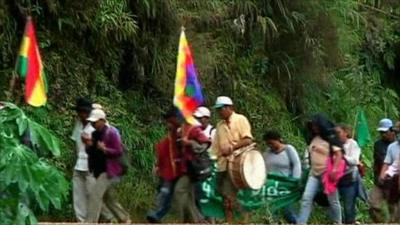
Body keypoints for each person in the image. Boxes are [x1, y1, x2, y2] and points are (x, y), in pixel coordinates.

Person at [211, 96, 253, 223]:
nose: (219, 112)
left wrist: (232, 148)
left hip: (238, 164)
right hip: (222, 165)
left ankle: (243, 219)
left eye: (221, 109)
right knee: (224, 195)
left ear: (229, 108)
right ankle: (231, 221)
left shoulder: (241, 119)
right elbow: (216, 147)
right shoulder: (219, 125)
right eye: (217, 110)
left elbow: (248, 139)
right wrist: (211, 159)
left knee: (230, 196)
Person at [84, 108, 130, 223]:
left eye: (95, 121)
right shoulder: (95, 134)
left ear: (102, 120)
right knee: (108, 198)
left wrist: (105, 149)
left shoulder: (112, 132)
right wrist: (89, 146)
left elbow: (118, 151)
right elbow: (93, 152)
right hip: (99, 170)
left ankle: (90, 222)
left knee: (95, 195)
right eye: (92, 122)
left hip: (109, 170)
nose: (93, 124)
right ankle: (124, 218)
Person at [297, 114, 343, 225]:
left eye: (316, 126)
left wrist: (335, 169)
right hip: (314, 173)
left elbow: (338, 154)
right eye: (312, 126)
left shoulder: (330, 137)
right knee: (307, 198)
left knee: (333, 201)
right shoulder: (313, 138)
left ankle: (338, 222)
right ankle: (301, 222)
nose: (314, 128)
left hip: (327, 172)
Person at [173, 108, 211, 223]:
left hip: (193, 167)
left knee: (180, 190)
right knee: (189, 195)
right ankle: (198, 220)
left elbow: (206, 143)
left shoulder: (194, 129)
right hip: (186, 167)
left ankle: (198, 220)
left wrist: (190, 143)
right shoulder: (181, 129)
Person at [146, 109, 183, 223]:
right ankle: (156, 215)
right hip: (170, 170)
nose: (168, 125)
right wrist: (158, 165)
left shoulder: (184, 131)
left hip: (183, 169)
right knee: (165, 191)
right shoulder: (169, 138)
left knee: (183, 195)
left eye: (170, 122)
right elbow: (165, 150)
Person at [263, 130, 301, 224]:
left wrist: (295, 181)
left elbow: (297, 164)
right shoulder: (267, 153)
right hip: (272, 186)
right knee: (272, 212)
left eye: (271, 143)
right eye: (268, 144)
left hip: (286, 185)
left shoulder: (288, 149)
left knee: (287, 211)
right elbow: (262, 166)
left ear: (278, 140)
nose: (270, 146)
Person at [70, 97, 96, 222]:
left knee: (92, 196)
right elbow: (75, 144)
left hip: (92, 166)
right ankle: (81, 221)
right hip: (79, 164)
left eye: (85, 112)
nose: (82, 115)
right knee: (78, 197)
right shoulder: (78, 125)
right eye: (80, 112)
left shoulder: (96, 126)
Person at [369, 118, 397, 223]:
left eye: (385, 132)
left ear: (392, 131)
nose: (383, 134)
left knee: (394, 209)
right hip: (380, 181)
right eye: (381, 132)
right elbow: (383, 161)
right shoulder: (378, 145)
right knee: (373, 204)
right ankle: (380, 222)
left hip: (394, 183)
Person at [335, 124, 361, 224]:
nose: (337, 135)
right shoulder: (334, 144)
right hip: (335, 179)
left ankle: (350, 222)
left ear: (345, 133)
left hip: (349, 178)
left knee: (348, 206)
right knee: (334, 203)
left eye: (339, 133)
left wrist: (343, 157)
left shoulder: (352, 144)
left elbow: (355, 160)